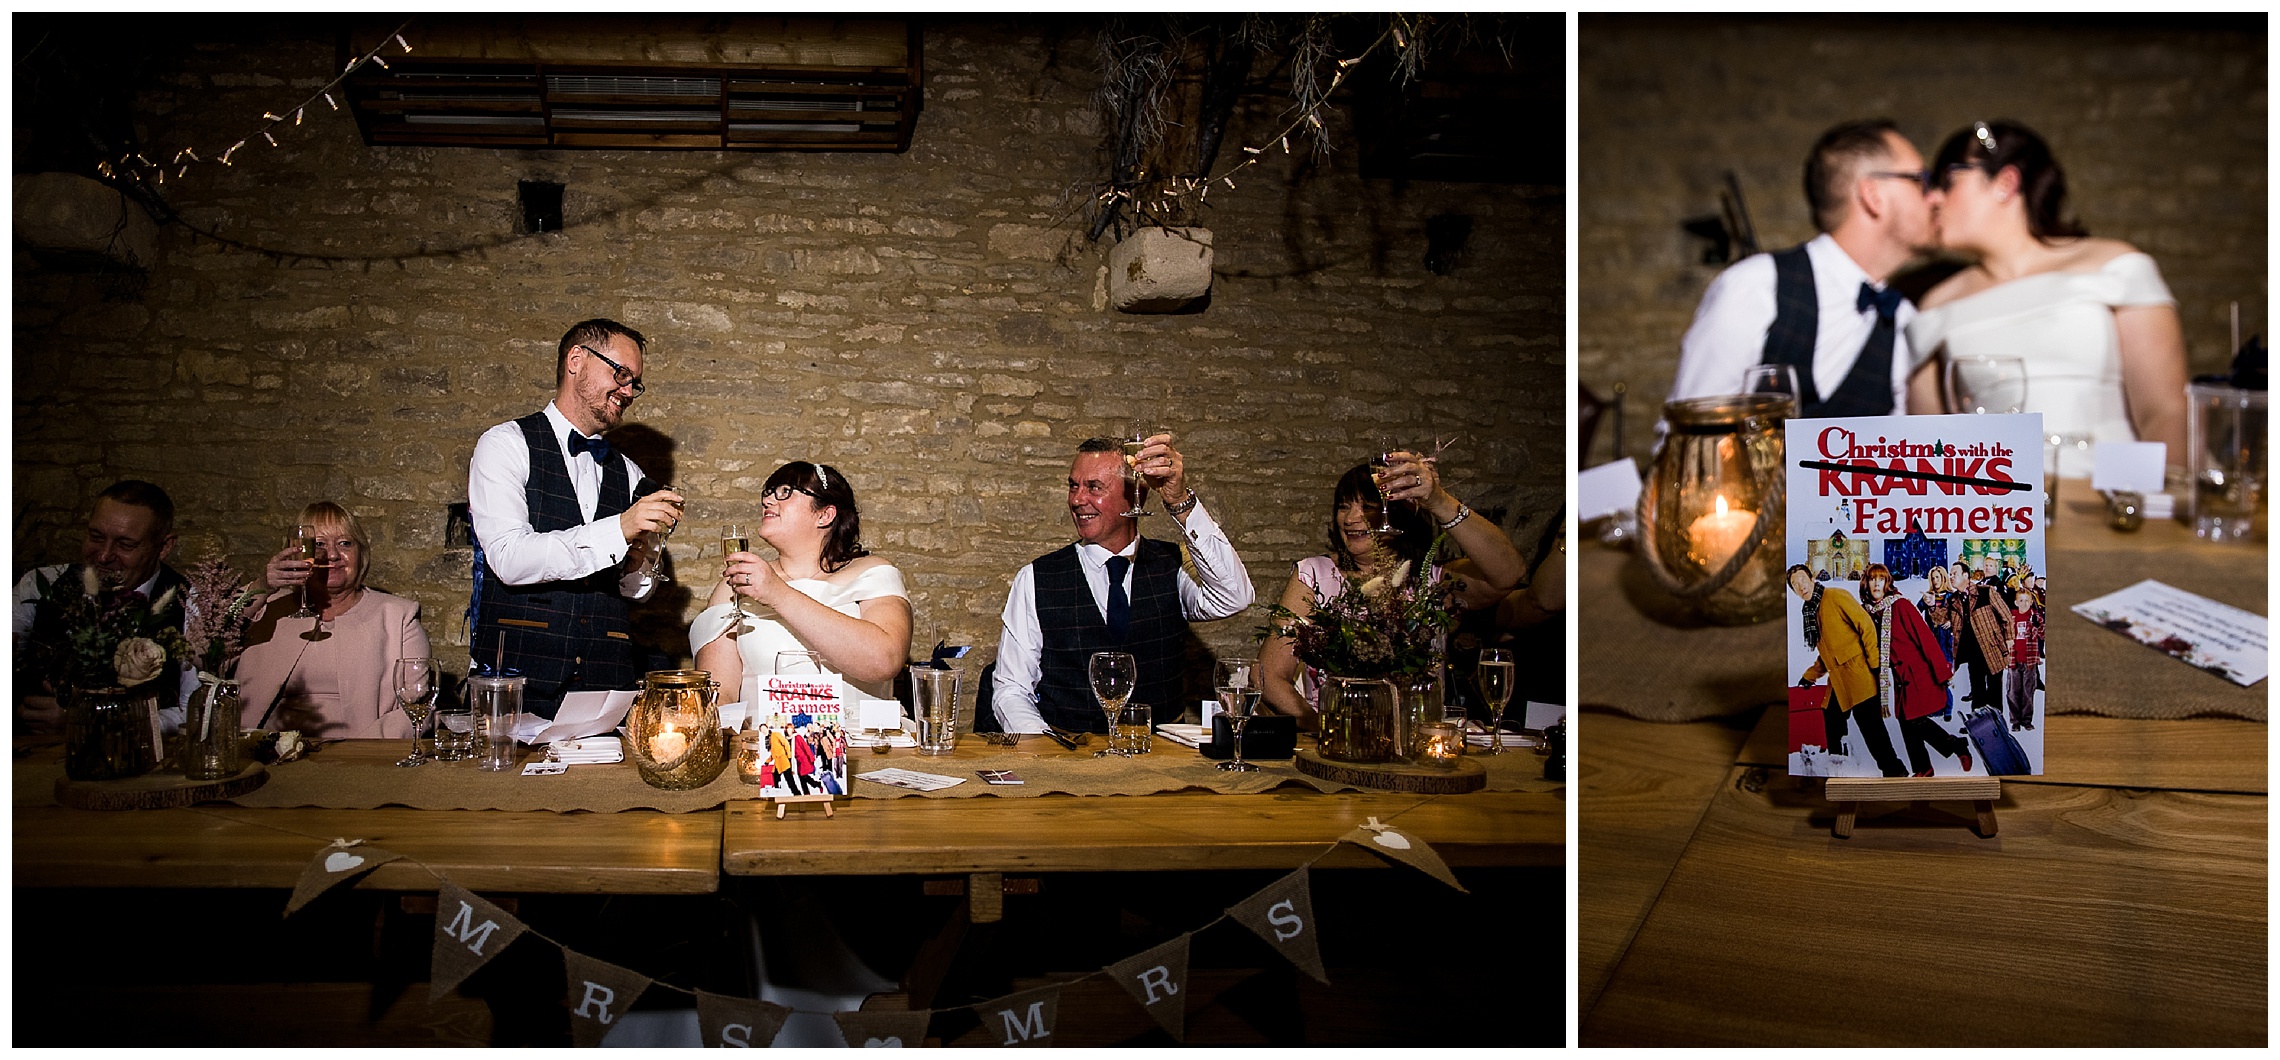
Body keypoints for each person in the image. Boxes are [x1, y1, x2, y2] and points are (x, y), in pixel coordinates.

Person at [1906, 121, 2190, 478]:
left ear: (2005, 183)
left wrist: (2151, 510)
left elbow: (2164, 411)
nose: (1932, 198)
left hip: (2115, 497)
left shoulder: (2114, 268)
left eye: (1948, 180)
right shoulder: (1936, 305)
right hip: (1998, 512)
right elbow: (1930, 447)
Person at [468, 318, 684, 718]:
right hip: (521, 683)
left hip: (606, 689)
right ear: (576, 360)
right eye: (620, 375)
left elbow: (632, 590)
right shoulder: (505, 445)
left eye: (634, 383)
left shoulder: (632, 475)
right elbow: (509, 559)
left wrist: (642, 563)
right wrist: (619, 528)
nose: (628, 391)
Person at [1672, 119, 1939, 416]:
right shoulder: (1757, 286)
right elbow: (1687, 438)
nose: (1936, 197)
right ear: (1873, 195)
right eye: (1921, 180)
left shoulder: (1902, 319)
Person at [991, 434, 1253, 734]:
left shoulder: (1173, 564)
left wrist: (1180, 502)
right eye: (1073, 486)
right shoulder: (1037, 577)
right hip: (1069, 760)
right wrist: (1050, 749)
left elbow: (1235, 596)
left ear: (1135, 493)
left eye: (1094, 487)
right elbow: (1011, 689)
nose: (1077, 499)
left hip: (1161, 761)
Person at [1259, 455, 1527, 726]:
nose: (1350, 519)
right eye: (1343, 507)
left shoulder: (1431, 581)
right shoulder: (1315, 575)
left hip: (1418, 740)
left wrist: (1439, 502)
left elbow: (1509, 574)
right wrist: (1322, 727)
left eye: (1367, 507)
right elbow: (1267, 676)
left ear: (1395, 514)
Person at [691, 461, 912, 704]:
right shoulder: (735, 585)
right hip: (761, 738)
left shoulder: (872, 573)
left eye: (785, 492)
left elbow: (884, 661)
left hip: (859, 738)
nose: (767, 501)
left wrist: (777, 593)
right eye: (768, 493)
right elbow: (720, 696)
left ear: (824, 515)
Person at [235, 502, 432, 739]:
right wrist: (261, 587)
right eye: (318, 544)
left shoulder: (399, 616)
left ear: (361, 554)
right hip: (266, 754)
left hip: (356, 761)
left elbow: (419, 707)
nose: (332, 555)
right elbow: (202, 652)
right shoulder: (267, 607)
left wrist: (357, 754)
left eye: (345, 543)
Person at [13, 480, 194, 733]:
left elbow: (192, 711)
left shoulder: (192, 603)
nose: (104, 555)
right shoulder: (40, 584)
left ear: (164, 547)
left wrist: (94, 720)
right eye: (96, 537)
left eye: (125, 544)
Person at [1789, 564, 1905, 778]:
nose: (1801, 586)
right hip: (1839, 680)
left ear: (1812, 578)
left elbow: (1866, 626)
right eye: (1795, 585)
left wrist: (1874, 662)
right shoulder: (1810, 612)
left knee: (1872, 730)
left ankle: (1895, 772)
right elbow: (1827, 654)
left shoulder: (1835, 596)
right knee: (1831, 717)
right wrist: (1810, 676)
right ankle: (1839, 766)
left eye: (1802, 580)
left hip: (1859, 673)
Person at [1860, 564, 1972, 777]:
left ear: (1887, 583)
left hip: (1918, 672)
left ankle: (1956, 745)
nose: (1876, 584)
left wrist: (1942, 672)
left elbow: (1925, 637)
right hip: (1900, 677)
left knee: (1913, 720)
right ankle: (1923, 768)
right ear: (1866, 583)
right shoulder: (1871, 612)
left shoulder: (1900, 605)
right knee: (1905, 720)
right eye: (1872, 579)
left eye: (1881, 579)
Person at [1956, 554, 2015, 720]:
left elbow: (2005, 613)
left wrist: (2007, 637)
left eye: (1991, 565)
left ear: (1996, 568)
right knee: (1977, 685)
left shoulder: (1997, 586)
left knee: (1994, 686)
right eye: (1986, 565)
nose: (1988, 568)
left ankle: (1996, 722)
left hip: (1992, 641)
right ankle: (1979, 720)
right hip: (1975, 644)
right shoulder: (1977, 586)